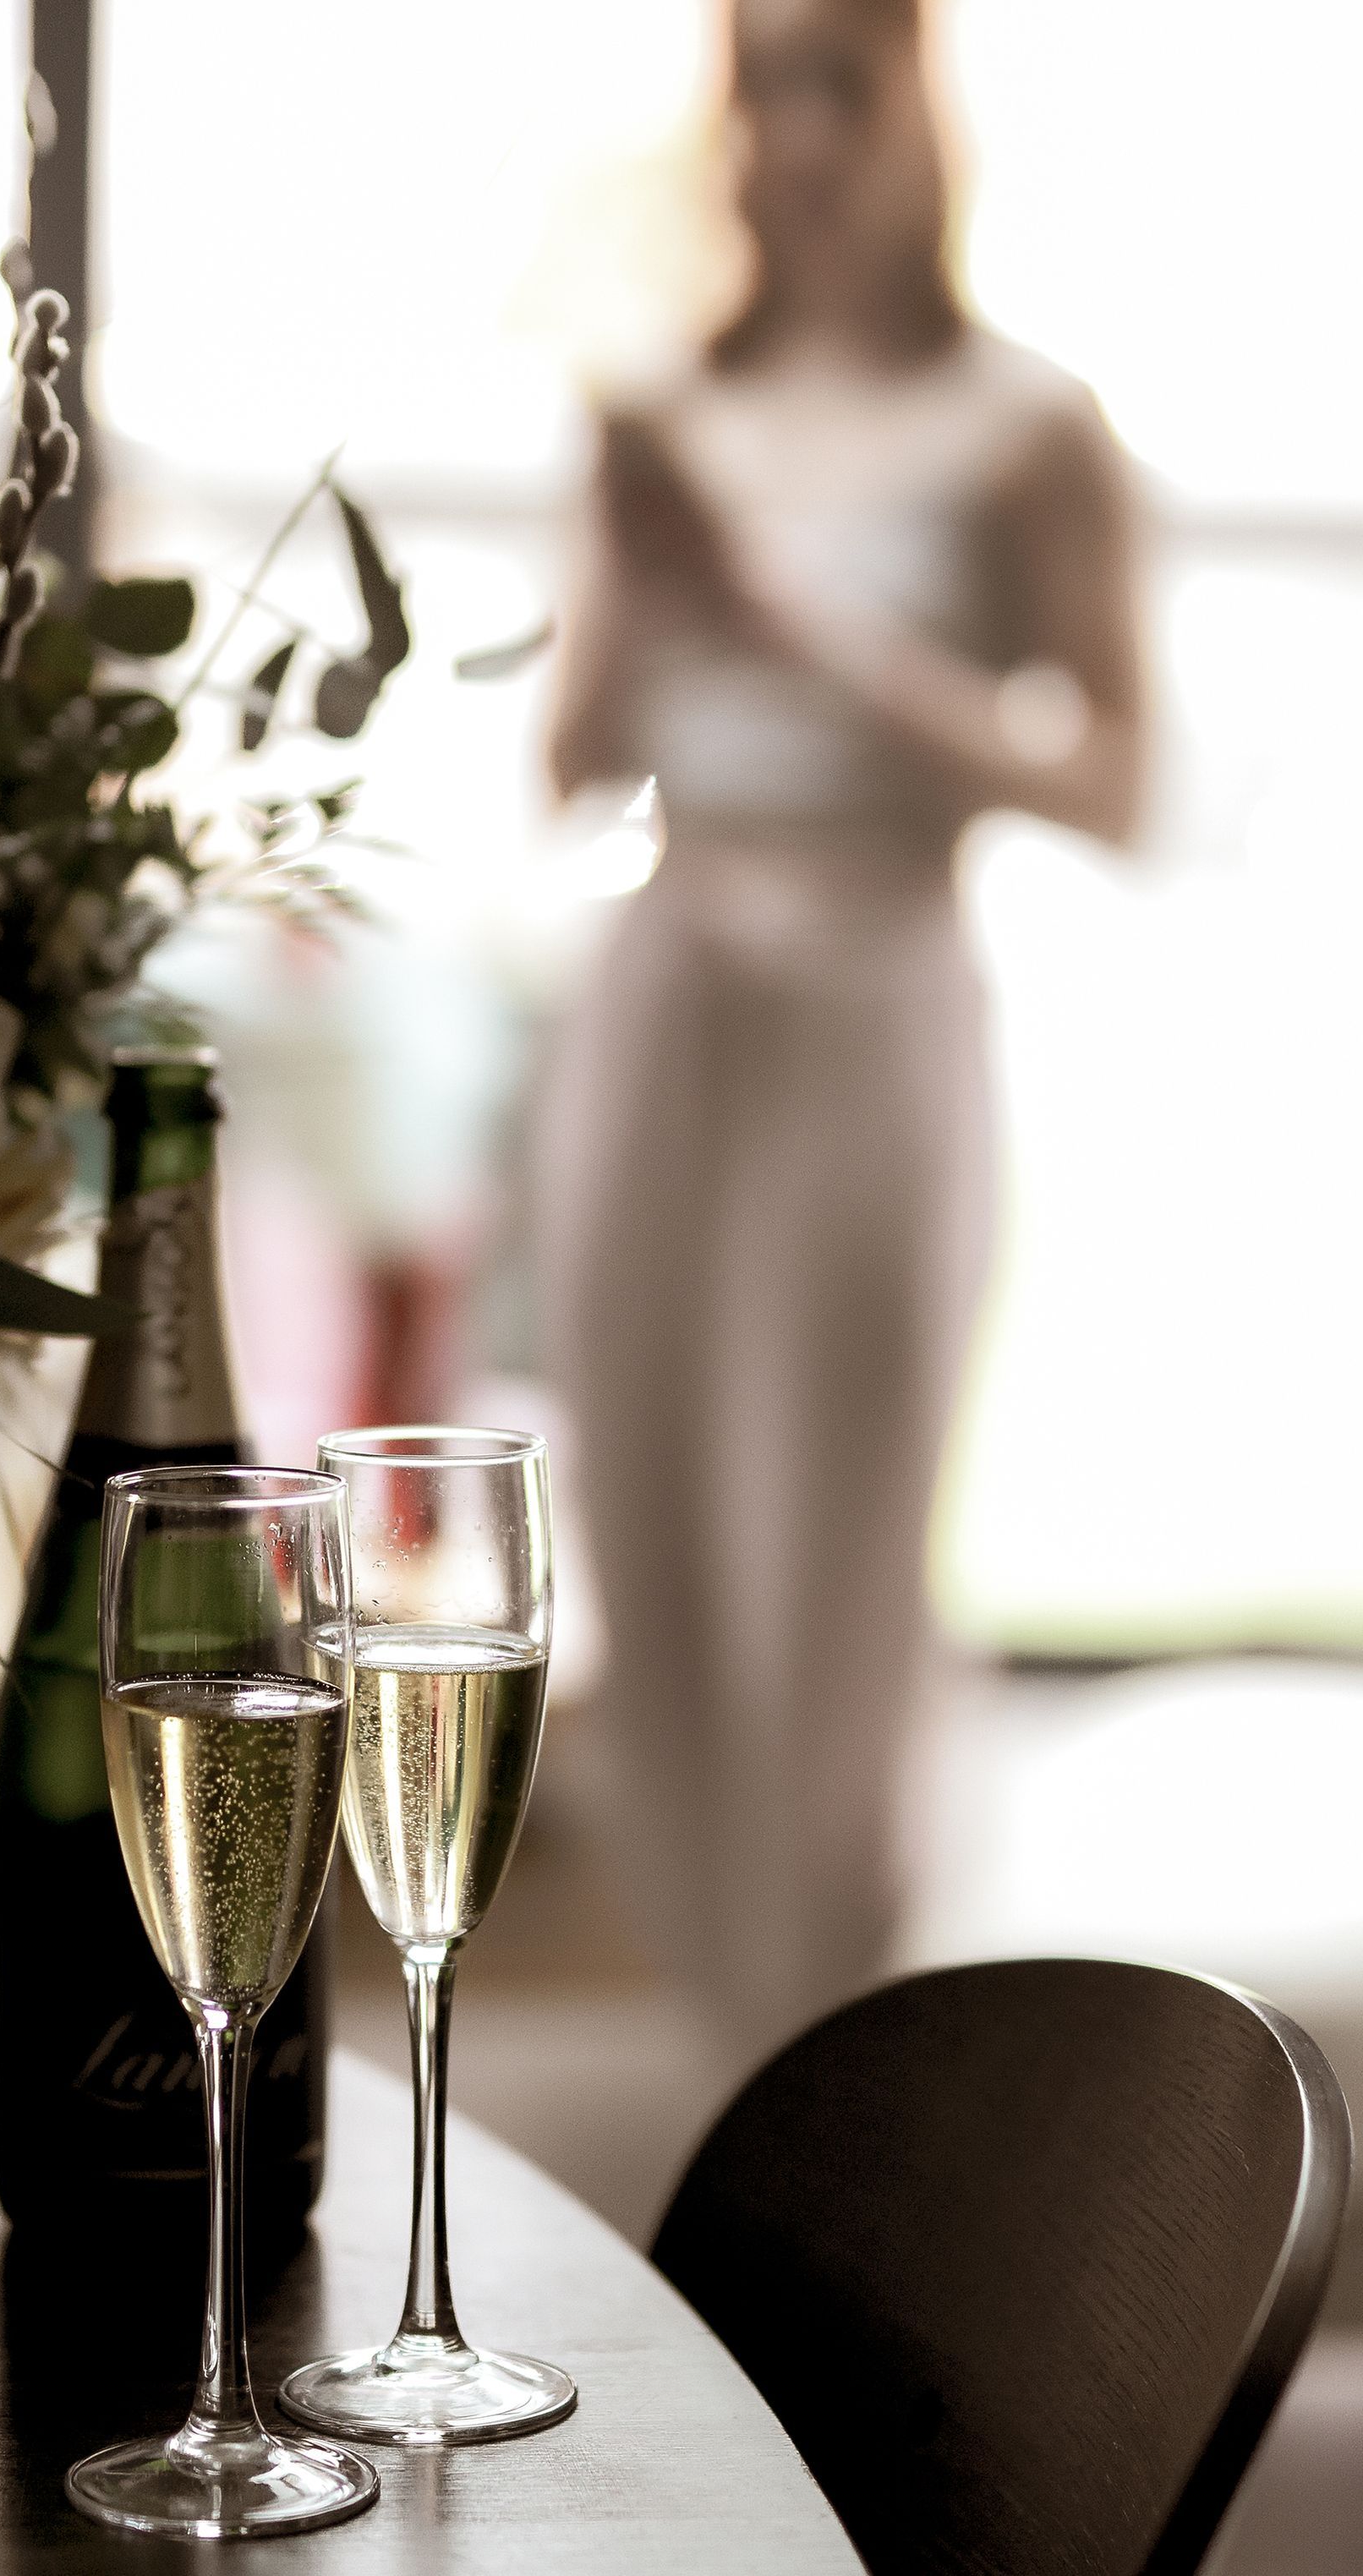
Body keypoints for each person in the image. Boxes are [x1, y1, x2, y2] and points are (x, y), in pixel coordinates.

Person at [539, 0, 1148, 2075]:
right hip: (668, 995)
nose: (793, 133)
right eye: (760, 85)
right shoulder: (667, 405)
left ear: (910, 102)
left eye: (834, 81)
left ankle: (838, 2057)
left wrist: (815, 636)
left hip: (879, 998)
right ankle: (731, 2051)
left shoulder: (1023, 423)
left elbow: (1119, 780)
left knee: (838, 1582)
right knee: (655, 1552)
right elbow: (572, 760)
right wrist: (647, 592)